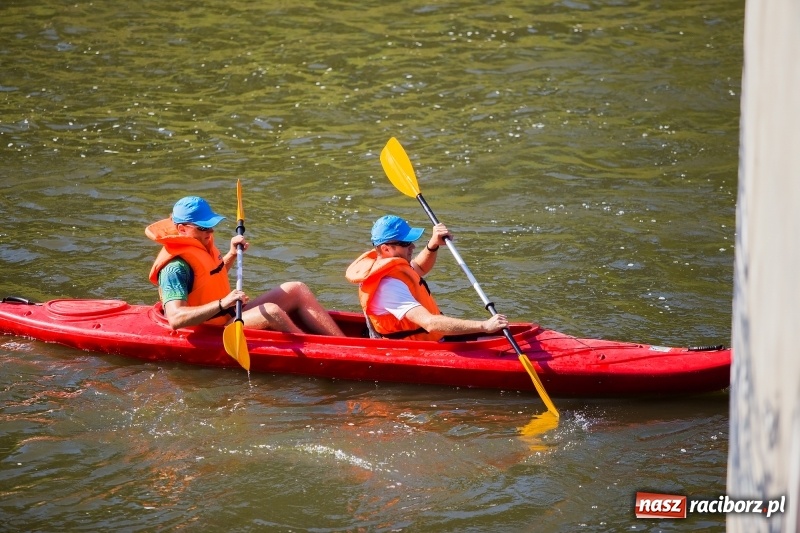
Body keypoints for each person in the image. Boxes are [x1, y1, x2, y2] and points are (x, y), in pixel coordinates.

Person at [146, 196, 344, 336]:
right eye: (203, 227)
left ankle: (341, 344)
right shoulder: (174, 268)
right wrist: (223, 303)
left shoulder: (201, 245)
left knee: (296, 289)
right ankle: (316, 351)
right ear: (182, 229)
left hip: (228, 313)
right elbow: (176, 319)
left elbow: (209, 277)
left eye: (212, 225)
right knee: (271, 311)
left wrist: (231, 254)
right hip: (213, 327)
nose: (210, 231)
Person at [346, 214, 508, 341]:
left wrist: (433, 244)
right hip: (415, 346)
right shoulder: (388, 287)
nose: (413, 246)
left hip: (431, 338)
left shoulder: (391, 267)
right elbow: (429, 323)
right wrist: (484, 326)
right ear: (386, 249)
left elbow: (419, 267)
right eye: (406, 243)